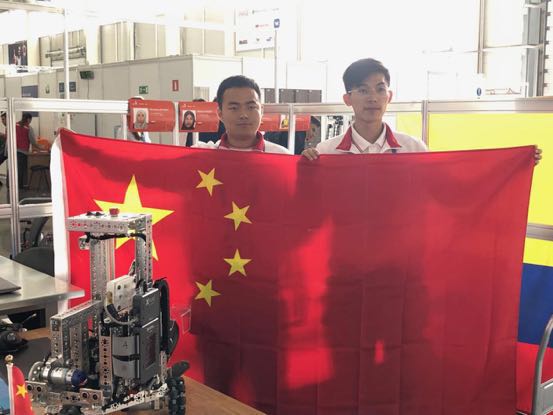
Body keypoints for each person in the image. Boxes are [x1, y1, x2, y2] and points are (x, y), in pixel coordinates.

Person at [303, 58, 542, 163]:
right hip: (347, 248)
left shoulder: (413, 149)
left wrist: (515, 163)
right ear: (347, 99)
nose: (373, 98)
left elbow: (451, 185)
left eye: (380, 89)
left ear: (389, 97)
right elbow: (307, 202)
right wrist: (305, 167)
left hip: (401, 246)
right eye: (363, 90)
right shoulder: (326, 152)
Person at [194, 75, 290, 154]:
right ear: (220, 114)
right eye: (234, 108)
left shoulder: (282, 157)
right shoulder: (202, 157)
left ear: (261, 111)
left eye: (251, 107)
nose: (243, 115)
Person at [16, 112, 39, 189]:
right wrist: (41, 147)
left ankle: (12, 185)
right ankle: (21, 186)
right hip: (23, 152)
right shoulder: (28, 128)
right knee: (22, 169)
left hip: (14, 151)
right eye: (30, 120)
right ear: (28, 119)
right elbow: (33, 142)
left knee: (15, 168)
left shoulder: (15, 125)